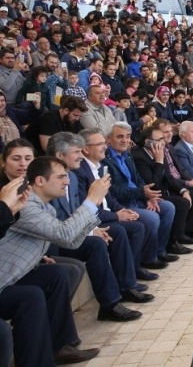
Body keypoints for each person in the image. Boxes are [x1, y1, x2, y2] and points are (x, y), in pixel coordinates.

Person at [0, 171, 101, 366]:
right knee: (32, 296)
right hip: (5, 278)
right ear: (40, 180)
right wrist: (91, 201)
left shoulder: (43, 207)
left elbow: (70, 242)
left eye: (28, 159)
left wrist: (38, 257)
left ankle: (59, 346)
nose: (67, 181)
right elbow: (64, 234)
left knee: (60, 273)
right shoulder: (25, 206)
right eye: (61, 176)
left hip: (14, 273)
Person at [46, 133, 153, 315]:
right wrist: (92, 230)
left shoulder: (69, 177)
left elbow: (79, 211)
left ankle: (123, 289)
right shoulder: (47, 181)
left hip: (71, 232)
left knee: (113, 234)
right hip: (53, 242)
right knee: (101, 240)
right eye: (77, 152)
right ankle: (110, 303)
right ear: (59, 156)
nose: (81, 156)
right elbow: (60, 221)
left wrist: (93, 228)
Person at [104, 122, 179, 267]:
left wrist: (147, 197)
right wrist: (142, 192)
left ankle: (159, 251)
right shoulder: (105, 160)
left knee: (168, 207)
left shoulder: (128, 155)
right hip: (122, 203)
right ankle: (148, 259)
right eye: (120, 137)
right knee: (152, 218)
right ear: (108, 139)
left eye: (127, 137)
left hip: (138, 197)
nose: (125, 140)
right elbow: (113, 191)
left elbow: (138, 179)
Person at [132, 124, 193, 250]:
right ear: (148, 142)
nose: (163, 142)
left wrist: (183, 190)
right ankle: (171, 243)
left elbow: (169, 177)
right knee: (180, 203)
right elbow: (154, 186)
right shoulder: (139, 156)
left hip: (164, 190)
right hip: (152, 194)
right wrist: (159, 162)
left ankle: (182, 235)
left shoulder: (160, 151)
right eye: (159, 139)